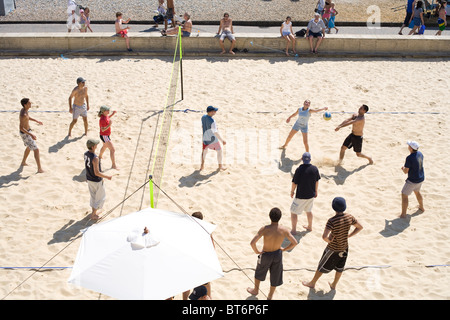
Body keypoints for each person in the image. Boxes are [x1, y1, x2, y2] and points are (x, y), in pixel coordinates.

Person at [302, 197, 363, 290]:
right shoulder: (349, 217)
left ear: (333, 207)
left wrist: (329, 241)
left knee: (321, 266)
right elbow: (360, 227)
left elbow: (324, 236)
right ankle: (334, 284)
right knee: (340, 268)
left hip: (333, 249)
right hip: (344, 247)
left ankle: (312, 283)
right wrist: (349, 235)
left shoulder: (332, 221)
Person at [247, 207, 298, 300]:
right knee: (275, 275)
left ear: (269, 216)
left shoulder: (265, 229)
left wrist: (257, 251)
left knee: (259, 272)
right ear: (280, 217)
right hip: (277, 254)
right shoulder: (284, 230)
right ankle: (270, 296)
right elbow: (294, 242)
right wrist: (284, 249)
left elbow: (252, 243)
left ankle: (255, 290)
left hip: (266, 254)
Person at [182, 211, 214, 300]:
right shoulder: (206, 230)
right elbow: (212, 247)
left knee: (187, 283)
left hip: (192, 259)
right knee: (206, 282)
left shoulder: (188, 229)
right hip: (202, 260)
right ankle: (209, 297)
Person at [290, 152, 321, 233]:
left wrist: (292, 191)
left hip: (301, 195)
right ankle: (310, 227)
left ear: (301, 159)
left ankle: (293, 230)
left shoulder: (299, 169)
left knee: (293, 212)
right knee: (309, 211)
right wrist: (316, 191)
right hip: (311, 194)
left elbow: (294, 183)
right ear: (310, 160)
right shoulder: (315, 169)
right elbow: (317, 181)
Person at [84, 138, 112, 220]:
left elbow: (87, 167)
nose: (97, 145)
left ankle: (94, 212)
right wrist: (107, 176)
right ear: (93, 147)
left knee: (93, 197)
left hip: (89, 179)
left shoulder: (86, 154)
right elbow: (97, 172)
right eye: (96, 144)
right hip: (96, 180)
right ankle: (93, 215)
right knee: (100, 198)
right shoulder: (95, 158)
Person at [19, 98, 44, 173]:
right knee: (36, 150)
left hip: (28, 132)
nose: (31, 104)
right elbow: (21, 128)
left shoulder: (25, 110)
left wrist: (36, 121)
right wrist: (31, 134)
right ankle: (39, 169)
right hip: (25, 133)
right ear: (25, 105)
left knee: (29, 147)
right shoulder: (23, 114)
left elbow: (28, 118)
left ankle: (23, 162)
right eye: (29, 103)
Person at [401, 140, 425, 218]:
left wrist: (403, 168)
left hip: (412, 180)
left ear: (410, 148)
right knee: (417, 192)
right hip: (420, 178)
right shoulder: (420, 153)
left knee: (404, 195)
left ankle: (403, 214)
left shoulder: (409, 158)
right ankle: (421, 207)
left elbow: (405, 171)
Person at [200, 106, 226, 171]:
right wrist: (222, 140)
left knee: (204, 152)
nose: (215, 112)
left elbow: (203, 126)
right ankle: (220, 166)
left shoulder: (203, 117)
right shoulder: (212, 121)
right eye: (214, 111)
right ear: (211, 112)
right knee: (219, 151)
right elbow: (215, 132)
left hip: (205, 138)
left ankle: (202, 166)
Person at [98, 106, 118, 170]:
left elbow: (108, 118)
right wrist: (109, 125)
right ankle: (113, 165)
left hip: (105, 135)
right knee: (112, 150)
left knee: (104, 146)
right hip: (104, 136)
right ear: (103, 111)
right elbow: (103, 129)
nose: (108, 111)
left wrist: (112, 114)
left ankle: (100, 156)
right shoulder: (102, 119)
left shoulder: (105, 116)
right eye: (107, 110)